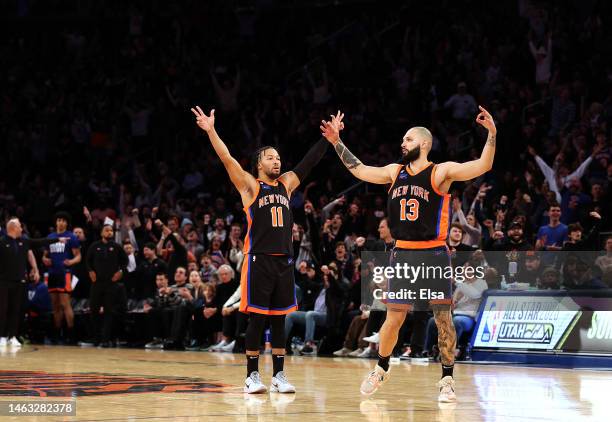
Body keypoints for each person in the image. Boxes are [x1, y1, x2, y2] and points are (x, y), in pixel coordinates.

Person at [321, 106, 497, 402]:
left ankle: (447, 379)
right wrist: (337, 141)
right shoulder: (394, 172)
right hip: (402, 254)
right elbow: (361, 170)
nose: (402, 143)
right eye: (402, 140)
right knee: (393, 319)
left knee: (443, 318)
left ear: (424, 144)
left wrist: (491, 134)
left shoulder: (440, 172)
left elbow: (482, 166)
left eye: (408, 139)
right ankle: (381, 367)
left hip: (434, 254)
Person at [192, 105, 330, 394]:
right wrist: (211, 131)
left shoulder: (287, 185)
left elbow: (308, 163)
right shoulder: (250, 187)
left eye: (278, 157)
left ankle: (279, 375)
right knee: (257, 317)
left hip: (284, 261)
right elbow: (226, 158)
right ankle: (251, 375)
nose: (277, 161)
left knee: (280, 317)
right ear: (259, 164)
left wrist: (328, 139)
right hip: (258, 260)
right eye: (270, 157)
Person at [0, 218, 64, 348]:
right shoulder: (2, 242)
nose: (22, 229)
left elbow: (40, 241)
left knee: (16, 310)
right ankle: (2, 336)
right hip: (4, 282)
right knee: (3, 309)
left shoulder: (24, 241)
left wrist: (57, 239)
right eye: (19, 227)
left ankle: (12, 337)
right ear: (13, 228)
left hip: (19, 281)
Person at [86, 224, 129, 347]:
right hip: (97, 283)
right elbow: (88, 261)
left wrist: (120, 272)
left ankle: (105, 339)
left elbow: (125, 262)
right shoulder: (94, 246)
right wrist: (90, 271)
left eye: (111, 230)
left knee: (108, 311)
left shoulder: (117, 247)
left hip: (111, 284)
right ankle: (96, 337)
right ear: (101, 233)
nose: (109, 232)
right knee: (94, 310)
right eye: (107, 230)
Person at [42, 212, 81, 344]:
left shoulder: (71, 237)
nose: (61, 222)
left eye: (63, 220)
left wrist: (72, 262)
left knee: (65, 304)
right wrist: (45, 259)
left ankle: (71, 334)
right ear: (56, 222)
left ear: (67, 223)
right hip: (52, 274)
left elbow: (78, 256)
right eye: (59, 220)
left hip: (65, 273)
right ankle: (57, 334)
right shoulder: (50, 237)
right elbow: (45, 255)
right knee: (55, 305)